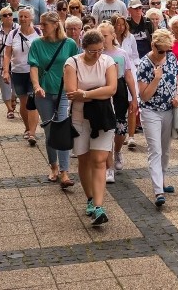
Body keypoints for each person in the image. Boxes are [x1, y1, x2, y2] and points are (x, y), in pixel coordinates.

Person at [64, 29, 118, 226]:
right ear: (83, 48)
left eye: (100, 51)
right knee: (84, 160)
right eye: (92, 51)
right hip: (79, 118)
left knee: (99, 160)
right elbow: (71, 92)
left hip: (103, 118)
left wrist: (86, 94)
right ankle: (89, 198)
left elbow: (112, 89)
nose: (96, 55)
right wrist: (99, 92)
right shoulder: (72, 63)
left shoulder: (107, 62)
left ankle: (98, 205)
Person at [29, 12, 79, 187]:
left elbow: (76, 66)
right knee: (50, 131)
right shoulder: (37, 44)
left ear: (56, 25)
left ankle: (65, 172)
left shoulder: (69, 44)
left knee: (63, 129)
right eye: (40, 24)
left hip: (64, 92)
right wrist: (36, 86)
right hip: (43, 94)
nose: (41, 27)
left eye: (44, 24)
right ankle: (53, 167)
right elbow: (33, 66)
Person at [136, 29, 178, 207]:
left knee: (166, 149)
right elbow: (144, 96)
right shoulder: (144, 64)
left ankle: (162, 180)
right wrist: (156, 79)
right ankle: (158, 191)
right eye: (162, 50)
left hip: (169, 109)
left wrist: (177, 95)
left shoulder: (171, 57)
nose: (165, 54)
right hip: (150, 111)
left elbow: (177, 78)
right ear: (153, 46)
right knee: (155, 150)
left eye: (168, 50)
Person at [98, 22, 139, 183]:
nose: (102, 39)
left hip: (120, 88)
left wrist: (134, 97)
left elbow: (128, 75)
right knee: (106, 127)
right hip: (103, 88)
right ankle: (109, 167)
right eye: (100, 36)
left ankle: (118, 151)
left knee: (120, 127)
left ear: (113, 35)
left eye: (105, 35)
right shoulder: (97, 53)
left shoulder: (121, 53)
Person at [2, 7, 41, 146]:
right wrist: (6, 71)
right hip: (18, 72)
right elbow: (7, 54)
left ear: (31, 18)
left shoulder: (38, 33)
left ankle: (32, 132)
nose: (23, 19)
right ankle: (27, 127)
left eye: (26, 16)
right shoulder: (13, 34)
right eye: (21, 17)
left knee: (33, 101)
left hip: (34, 71)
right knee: (23, 102)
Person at [112, 13, 141, 148]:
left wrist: (135, 67)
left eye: (122, 24)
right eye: (117, 24)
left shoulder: (130, 37)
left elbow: (135, 55)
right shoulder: (110, 39)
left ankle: (131, 136)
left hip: (130, 72)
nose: (120, 27)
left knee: (132, 103)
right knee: (117, 104)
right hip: (114, 75)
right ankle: (118, 132)